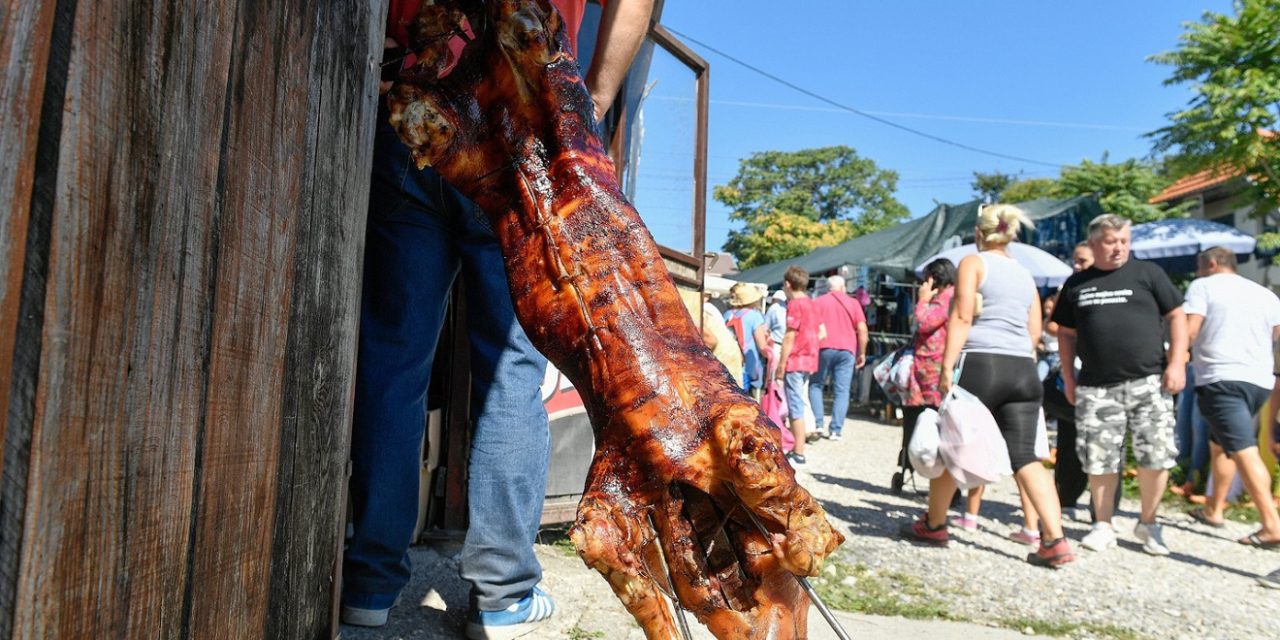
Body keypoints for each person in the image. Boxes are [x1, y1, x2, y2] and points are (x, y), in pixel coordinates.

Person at [343, 1, 655, 635]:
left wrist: (374, 48)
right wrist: (591, 97)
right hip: (523, 117)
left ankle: (369, 583)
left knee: (394, 357)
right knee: (511, 371)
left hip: (417, 100)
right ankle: (503, 594)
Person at [900, 204, 1074, 568]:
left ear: (978, 233)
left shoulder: (973, 263)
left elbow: (961, 315)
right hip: (1023, 369)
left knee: (952, 442)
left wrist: (947, 365)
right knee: (1026, 456)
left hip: (983, 362)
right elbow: (1033, 330)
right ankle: (1055, 540)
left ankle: (934, 524)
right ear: (1011, 234)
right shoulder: (1025, 275)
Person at [1052, 214, 1187, 556]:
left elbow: (1176, 315)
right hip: (1096, 386)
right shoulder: (1077, 284)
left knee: (1156, 454)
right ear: (1095, 243)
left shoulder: (1148, 274)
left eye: (1124, 240)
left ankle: (1149, 523)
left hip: (1149, 381)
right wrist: (1068, 377)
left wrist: (1177, 363)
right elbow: (1065, 333)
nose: (1119, 247)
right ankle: (1103, 524)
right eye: (1112, 241)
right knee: (1099, 457)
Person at [1182, 247, 1280, 551]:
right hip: (1259, 380)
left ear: (1210, 264)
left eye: (1199, 267)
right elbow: (1277, 334)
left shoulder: (1203, 286)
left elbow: (1190, 330)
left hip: (1221, 378)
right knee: (1220, 443)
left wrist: (1174, 358)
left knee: (1241, 448)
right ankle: (1214, 509)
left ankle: (1272, 525)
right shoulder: (1264, 294)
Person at [809, 275, 868, 441]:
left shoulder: (818, 302)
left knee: (816, 385)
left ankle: (818, 423)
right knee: (842, 391)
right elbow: (862, 330)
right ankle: (836, 430)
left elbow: (811, 328)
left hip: (823, 347)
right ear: (843, 287)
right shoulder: (854, 303)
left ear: (829, 287)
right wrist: (861, 352)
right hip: (847, 349)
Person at [776, 265, 821, 465]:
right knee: (800, 401)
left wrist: (781, 364)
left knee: (795, 406)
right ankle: (799, 447)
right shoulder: (812, 304)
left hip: (796, 360)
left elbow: (789, 336)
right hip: (810, 359)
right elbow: (822, 333)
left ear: (787, 283)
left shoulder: (794, 305)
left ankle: (799, 451)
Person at [724, 283, 769, 396]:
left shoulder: (727, 315)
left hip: (729, 364)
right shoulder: (755, 316)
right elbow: (762, 346)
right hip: (748, 368)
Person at [703, 295, 745, 388]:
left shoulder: (701, 311)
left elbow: (711, 341)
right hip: (731, 352)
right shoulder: (710, 307)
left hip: (721, 357)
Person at [764, 289, 788, 382]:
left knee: (774, 374)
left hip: (777, 344)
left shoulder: (773, 308)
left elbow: (766, 327)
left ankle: (773, 394)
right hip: (785, 345)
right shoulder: (788, 307)